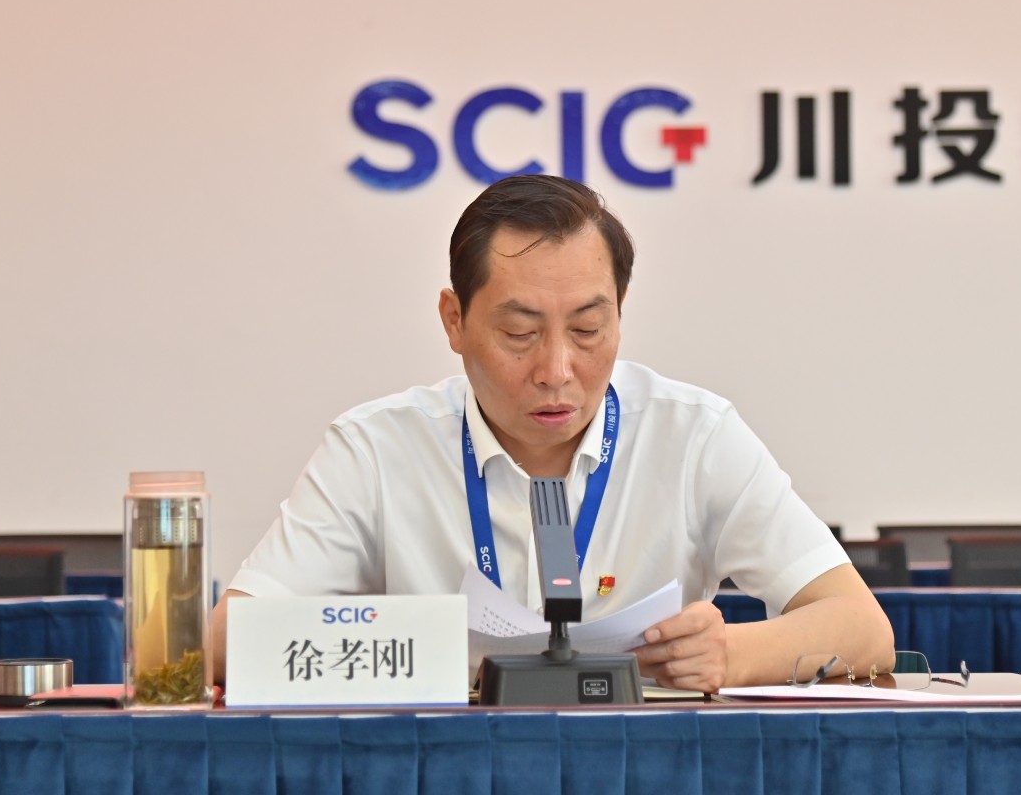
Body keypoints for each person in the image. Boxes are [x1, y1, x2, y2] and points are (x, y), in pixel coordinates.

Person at [214, 174, 893, 692]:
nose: (557, 370)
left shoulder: (694, 436)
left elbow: (864, 628)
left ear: (620, 313)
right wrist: (411, 644)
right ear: (454, 320)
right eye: (520, 333)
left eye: (589, 329)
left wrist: (730, 655)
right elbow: (223, 643)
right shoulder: (376, 450)